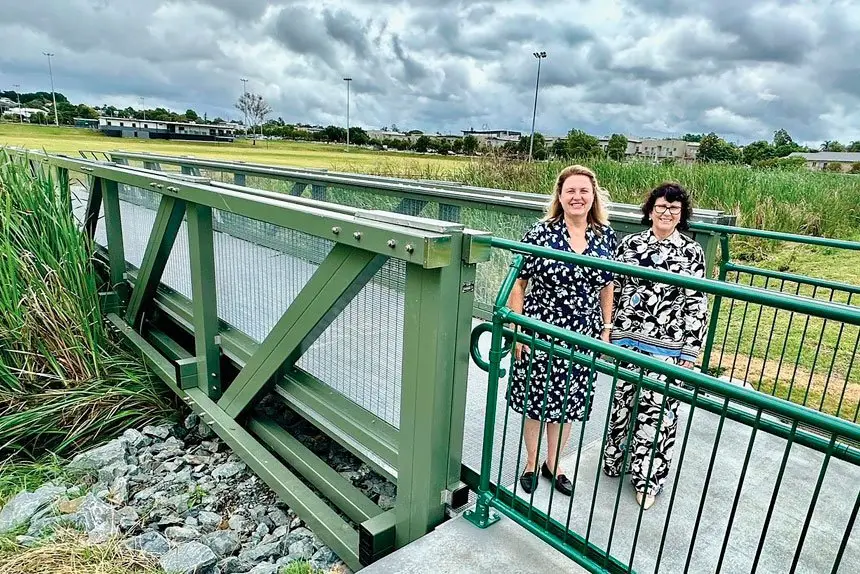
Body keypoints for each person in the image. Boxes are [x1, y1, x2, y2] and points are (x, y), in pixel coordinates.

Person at [507, 165, 617, 497]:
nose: (577, 197)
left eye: (584, 190)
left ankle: (554, 464)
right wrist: (519, 328)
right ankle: (530, 462)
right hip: (539, 331)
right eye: (570, 190)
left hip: (581, 336)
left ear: (593, 195)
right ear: (560, 195)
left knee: (567, 402)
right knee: (535, 402)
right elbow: (518, 282)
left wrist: (606, 327)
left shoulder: (605, 236)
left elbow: (607, 284)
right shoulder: (539, 233)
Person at [601, 182, 708, 510]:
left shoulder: (691, 251)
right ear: (650, 210)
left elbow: (697, 303)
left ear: (681, 215)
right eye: (661, 207)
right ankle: (615, 460)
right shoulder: (630, 244)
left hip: (668, 346)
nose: (666, 214)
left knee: (658, 414)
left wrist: (691, 350)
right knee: (623, 403)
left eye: (674, 210)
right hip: (628, 340)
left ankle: (648, 480)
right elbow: (613, 288)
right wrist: (608, 331)